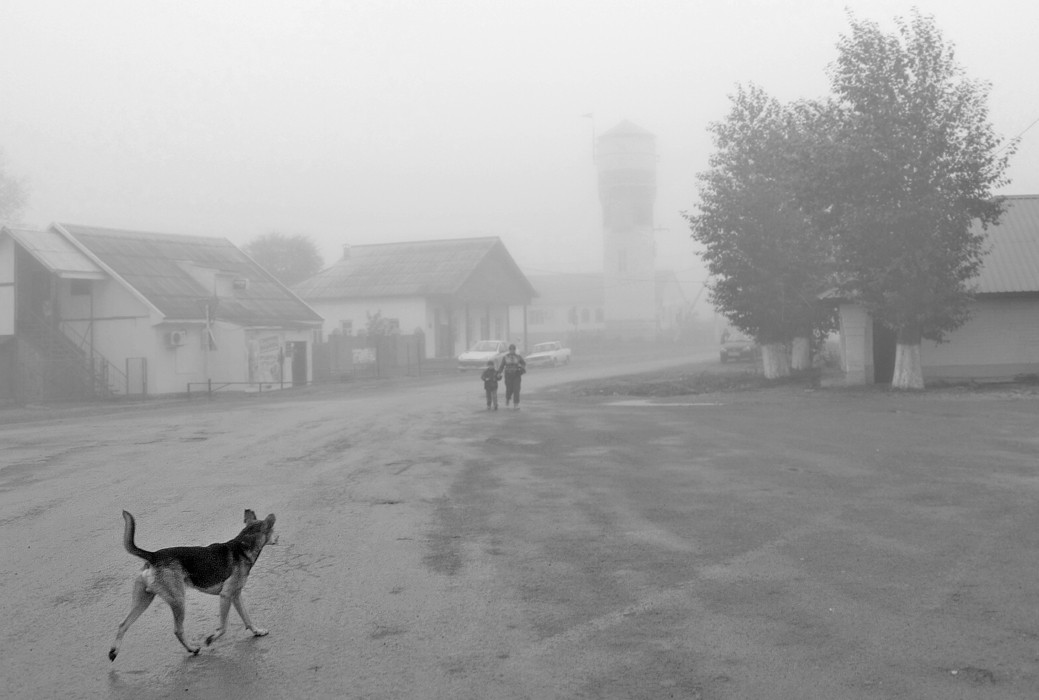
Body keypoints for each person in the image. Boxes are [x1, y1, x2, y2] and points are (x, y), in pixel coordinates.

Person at [500, 343, 526, 409]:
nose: (512, 350)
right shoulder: (505, 357)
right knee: (509, 389)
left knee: (516, 389)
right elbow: (501, 366)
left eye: (513, 349)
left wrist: (521, 368)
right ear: (509, 350)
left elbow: (523, 363)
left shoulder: (518, 356)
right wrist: (498, 373)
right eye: (511, 349)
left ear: (515, 350)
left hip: (516, 375)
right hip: (508, 375)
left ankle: (516, 404)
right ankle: (508, 398)